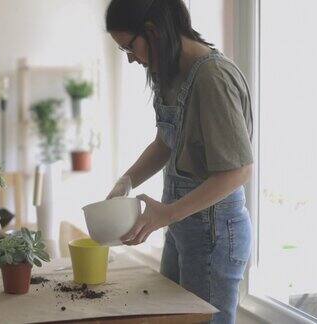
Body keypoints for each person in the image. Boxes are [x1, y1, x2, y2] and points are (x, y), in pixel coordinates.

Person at [105, 0, 253, 323]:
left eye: (129, 47)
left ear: (153, 32)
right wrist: (126, 181)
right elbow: (165, 142)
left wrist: (167, 213)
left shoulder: (213, 77)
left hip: (215, 236)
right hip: (180, 225)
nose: (131, 59)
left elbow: (238, 169)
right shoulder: (168, 71)